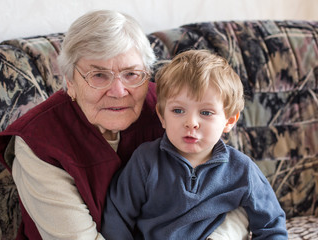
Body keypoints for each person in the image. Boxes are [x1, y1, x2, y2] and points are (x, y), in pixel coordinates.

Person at [0, 10, 249, 240]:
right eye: (99, 75)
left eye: (131, 74)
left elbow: (234, 190)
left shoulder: (173, 109)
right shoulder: (39, 140)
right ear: (70, 81)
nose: (118, 90)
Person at [102, 50, 288, 239]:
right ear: (162, 116)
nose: (191, 122)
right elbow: (117, 217)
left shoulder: (242, 170)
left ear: (229, 121)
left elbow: (271, 226)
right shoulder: (145, 161)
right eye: (178, 110)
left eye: (206, 113)